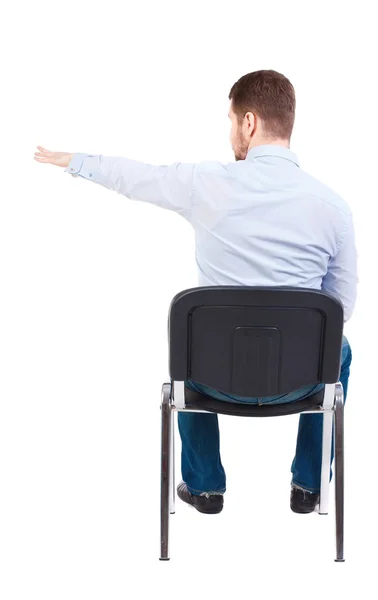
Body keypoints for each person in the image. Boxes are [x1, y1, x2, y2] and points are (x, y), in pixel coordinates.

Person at [33, 69, 357, 516]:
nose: (231, 134)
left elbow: (138, 177)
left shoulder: (204, 184)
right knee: (337, 349)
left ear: (248, 122)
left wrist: (74, 160)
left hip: (213, 380)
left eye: (230, 121)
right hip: (299, 383)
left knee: (190, 347)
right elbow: (342, 307)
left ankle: (204, 488)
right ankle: (310, 484)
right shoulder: (333, 208)